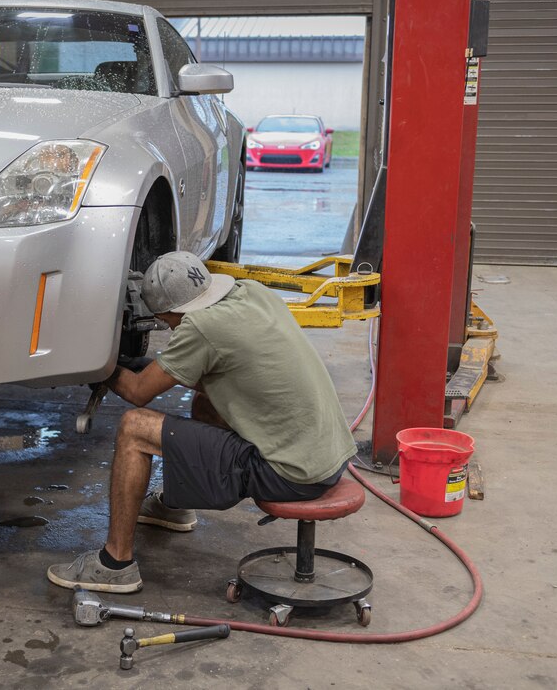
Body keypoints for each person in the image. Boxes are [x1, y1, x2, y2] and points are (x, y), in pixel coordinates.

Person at [46, 251, 357, 593]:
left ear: (172, 311)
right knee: (207, 401)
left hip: (290, 475)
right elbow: (211, 372)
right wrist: (144, 365)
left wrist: (100, 367)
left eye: (166, 321)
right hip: (327, 456)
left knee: (134, 428)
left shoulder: (200, 327)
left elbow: (137, 392)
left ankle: (115, 564)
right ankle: (174, 506)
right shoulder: (252, 293)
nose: (170, 328)